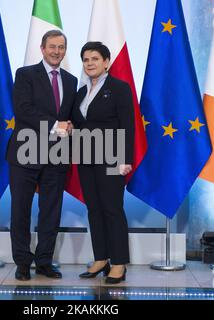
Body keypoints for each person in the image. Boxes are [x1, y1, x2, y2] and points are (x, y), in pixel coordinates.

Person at [6, 30, 77, 281]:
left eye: (61, 47)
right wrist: (58, 125)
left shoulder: (71, 80)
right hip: (25, 152)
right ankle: (23, 263)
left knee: (51, 211)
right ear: (42, 48)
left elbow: (73, 118)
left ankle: (45, 261)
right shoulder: (25, 75)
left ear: (65, 50)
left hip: (57, 155)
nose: (56, 51)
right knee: (20, 210)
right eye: (52, 47)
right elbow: (23, 111)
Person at [71, 42, 134, 284]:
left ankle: (118, 263)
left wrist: (125, 160)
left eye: (95, 58)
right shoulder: (80, 92)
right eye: (86, 59)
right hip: (86, 158)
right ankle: (101, 259)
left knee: (112, 209)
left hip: (112, 158)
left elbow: (128, 126)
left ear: (106, 61)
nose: (90, 63)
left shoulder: (119, 88)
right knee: (94, 209)